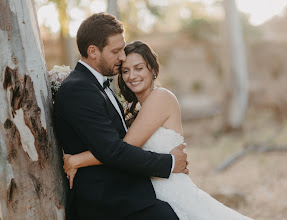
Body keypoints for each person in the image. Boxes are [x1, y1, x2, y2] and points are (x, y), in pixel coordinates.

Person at [63, 40, 254, 219]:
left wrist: (78, 160)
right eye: (126, 71)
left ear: (152, 69)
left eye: (139, 68)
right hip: (151, 193)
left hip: (171, 190)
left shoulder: (160, 98)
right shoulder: (136, 110)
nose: (132, 76)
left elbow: (124, 147)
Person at [54, 13, 188, 220]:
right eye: (116, 51)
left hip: (128, 196)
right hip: (109, 203)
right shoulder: (79, 89)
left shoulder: (96, 86)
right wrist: (169, 163)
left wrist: (78, 160)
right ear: (93, 52)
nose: (123, 57)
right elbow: (113, 150)